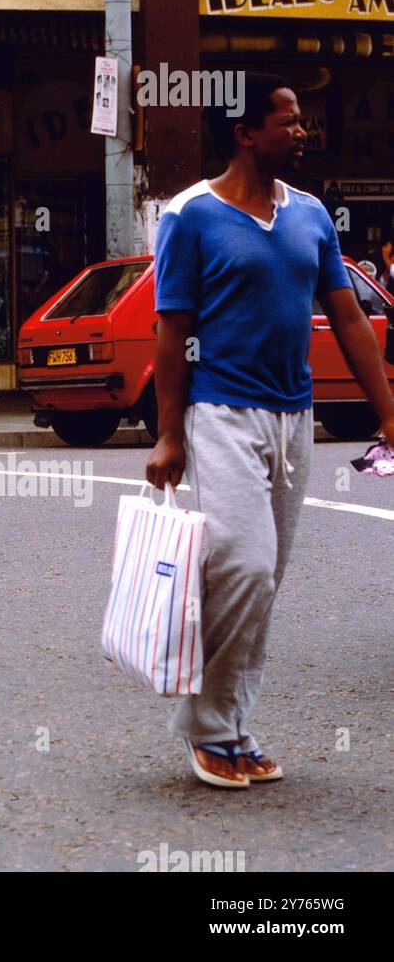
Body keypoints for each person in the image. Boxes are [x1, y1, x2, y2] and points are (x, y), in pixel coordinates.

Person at [147, 73, 394, 790]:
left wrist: (387, 408)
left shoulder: (313, 215)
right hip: (222, 412)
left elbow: (348, 318)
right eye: (288, 121)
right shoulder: (191, 215)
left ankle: (234, 728)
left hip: (295, 420)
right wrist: (169, 435)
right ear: (245, 132)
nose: (302, 131)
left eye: (303, 121)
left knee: (264, 579)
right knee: (244, 564)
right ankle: (206, 728)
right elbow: (172, 330)